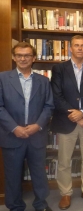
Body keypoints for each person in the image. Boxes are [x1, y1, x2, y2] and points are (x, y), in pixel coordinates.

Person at [51, 35, 83, 210]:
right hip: (67, 121)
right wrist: (75, 114)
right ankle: (65, 193)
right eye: (76, 45)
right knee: (64, 161)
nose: (80, 48)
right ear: (70, 48)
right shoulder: (59, 69)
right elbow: (56, 97)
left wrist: (82, 113)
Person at [0, 42, 54, 211]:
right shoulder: (2, 79)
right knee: (13, 175)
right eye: (19, 55)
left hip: (36, 135)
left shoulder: (44, 81)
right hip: (11, 135)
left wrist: (37, 125)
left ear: (34, 58)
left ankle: (41, 204)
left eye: (27, 55)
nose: (23, 58)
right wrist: (15, 128)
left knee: (39, 173)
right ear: (13, 57)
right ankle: (15, 206)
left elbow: (49, 106)